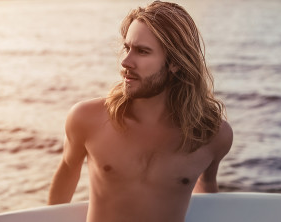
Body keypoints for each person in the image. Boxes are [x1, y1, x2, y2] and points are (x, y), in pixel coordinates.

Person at [47, 1, 233, 221]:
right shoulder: (87, 119)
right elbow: (68, 172)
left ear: (175, 63)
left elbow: (206, 186)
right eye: (127, 48)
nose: (126, 62)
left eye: (142, 52)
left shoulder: (213, 135)